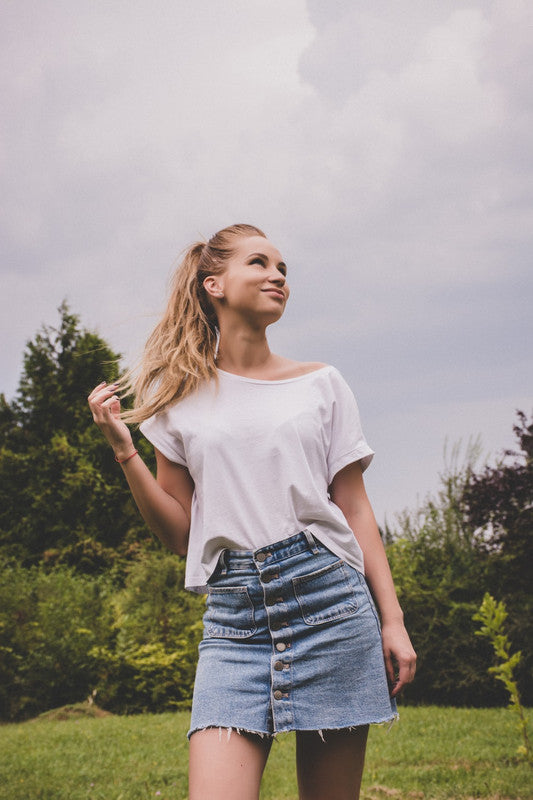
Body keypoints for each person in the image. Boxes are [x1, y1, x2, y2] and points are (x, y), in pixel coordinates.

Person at [88, 223, 416, 800]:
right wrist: (124, 450)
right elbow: (179, 533)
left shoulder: (323, 385)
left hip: (330, 604)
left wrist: (392, 620)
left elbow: (355, 509)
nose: (278, 277)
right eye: (260, 263)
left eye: (284, 269)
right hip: (234, 621)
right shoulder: (178, 397)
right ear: (214, 283)